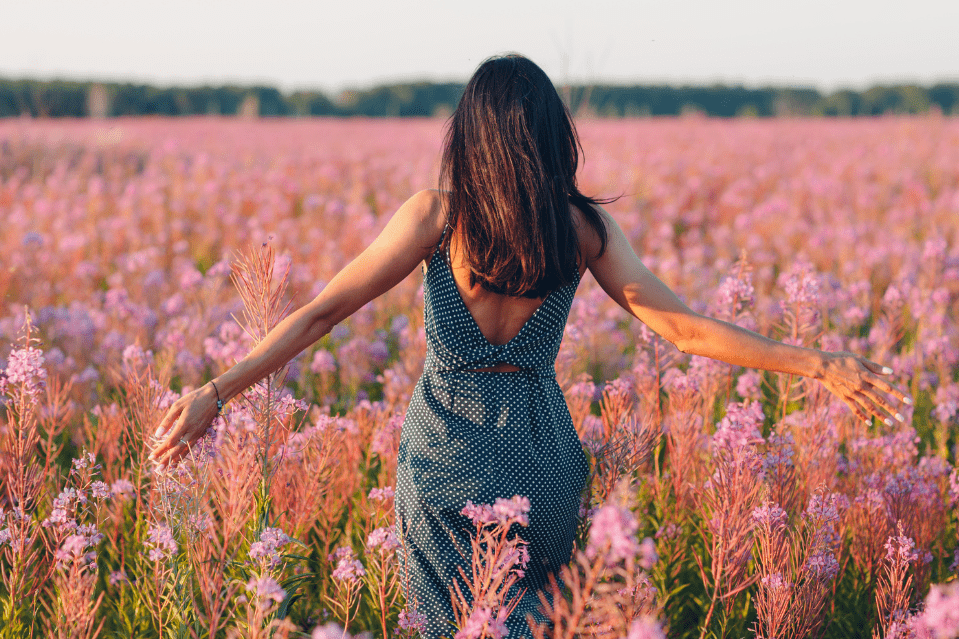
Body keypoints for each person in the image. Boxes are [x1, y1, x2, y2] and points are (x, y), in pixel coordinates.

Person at [149, 54, 910, 638]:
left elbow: (321, 313)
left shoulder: (437, 217)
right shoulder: (582, 229)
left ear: (469, 135)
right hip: (541, 459)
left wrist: (216, 391)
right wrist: (818, 362)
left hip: (444, 455)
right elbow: (682, 328)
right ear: (552, 137)